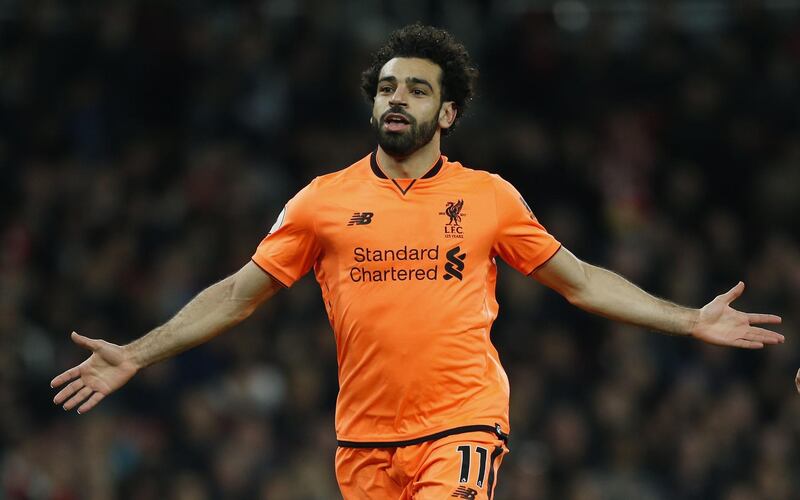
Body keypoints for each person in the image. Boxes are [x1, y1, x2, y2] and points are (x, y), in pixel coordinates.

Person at [51, 24, 784, 500]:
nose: (396, 99)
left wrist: (687, 318)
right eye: (387, 87)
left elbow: (582, 281)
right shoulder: (320, 202)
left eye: (417, 89)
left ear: (448, 112)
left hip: (460, 424)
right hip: (363, 442)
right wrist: (137, 356)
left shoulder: (489, 197)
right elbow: (238, 294)